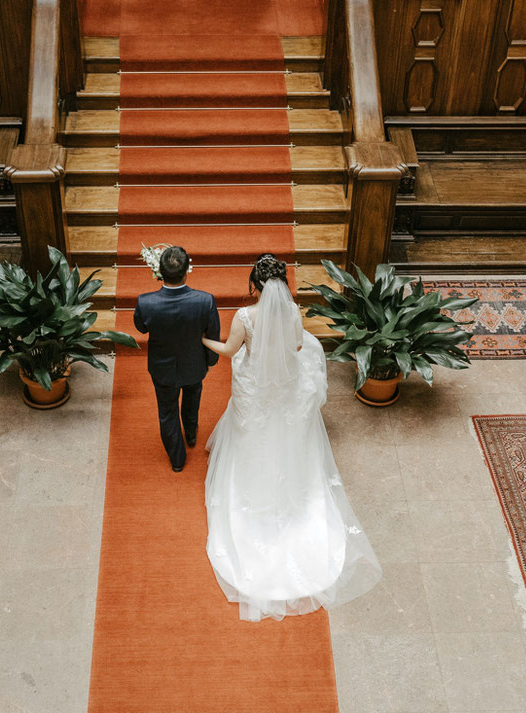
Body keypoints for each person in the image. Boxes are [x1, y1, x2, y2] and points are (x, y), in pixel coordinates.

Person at [201, 253, 381, 622]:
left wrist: (204, 339)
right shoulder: (293, 313)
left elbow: (229, 352)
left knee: (251, 432)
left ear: (254, 286)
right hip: (283, 387)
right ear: (283, 286)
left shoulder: (244, 317)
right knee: (284, 435)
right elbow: (297, 347)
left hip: (257, 389)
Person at [134, 246, 221, 472]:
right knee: (193, 399)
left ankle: (177, 460)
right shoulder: (205, 301)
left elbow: (141, 327)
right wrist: (210, 362)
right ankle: (191, 434)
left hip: (162, 368)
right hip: (194, 364)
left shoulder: (145, 302)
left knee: (167, 412)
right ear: (186, 272)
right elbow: (213, 333)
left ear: (160, 272)